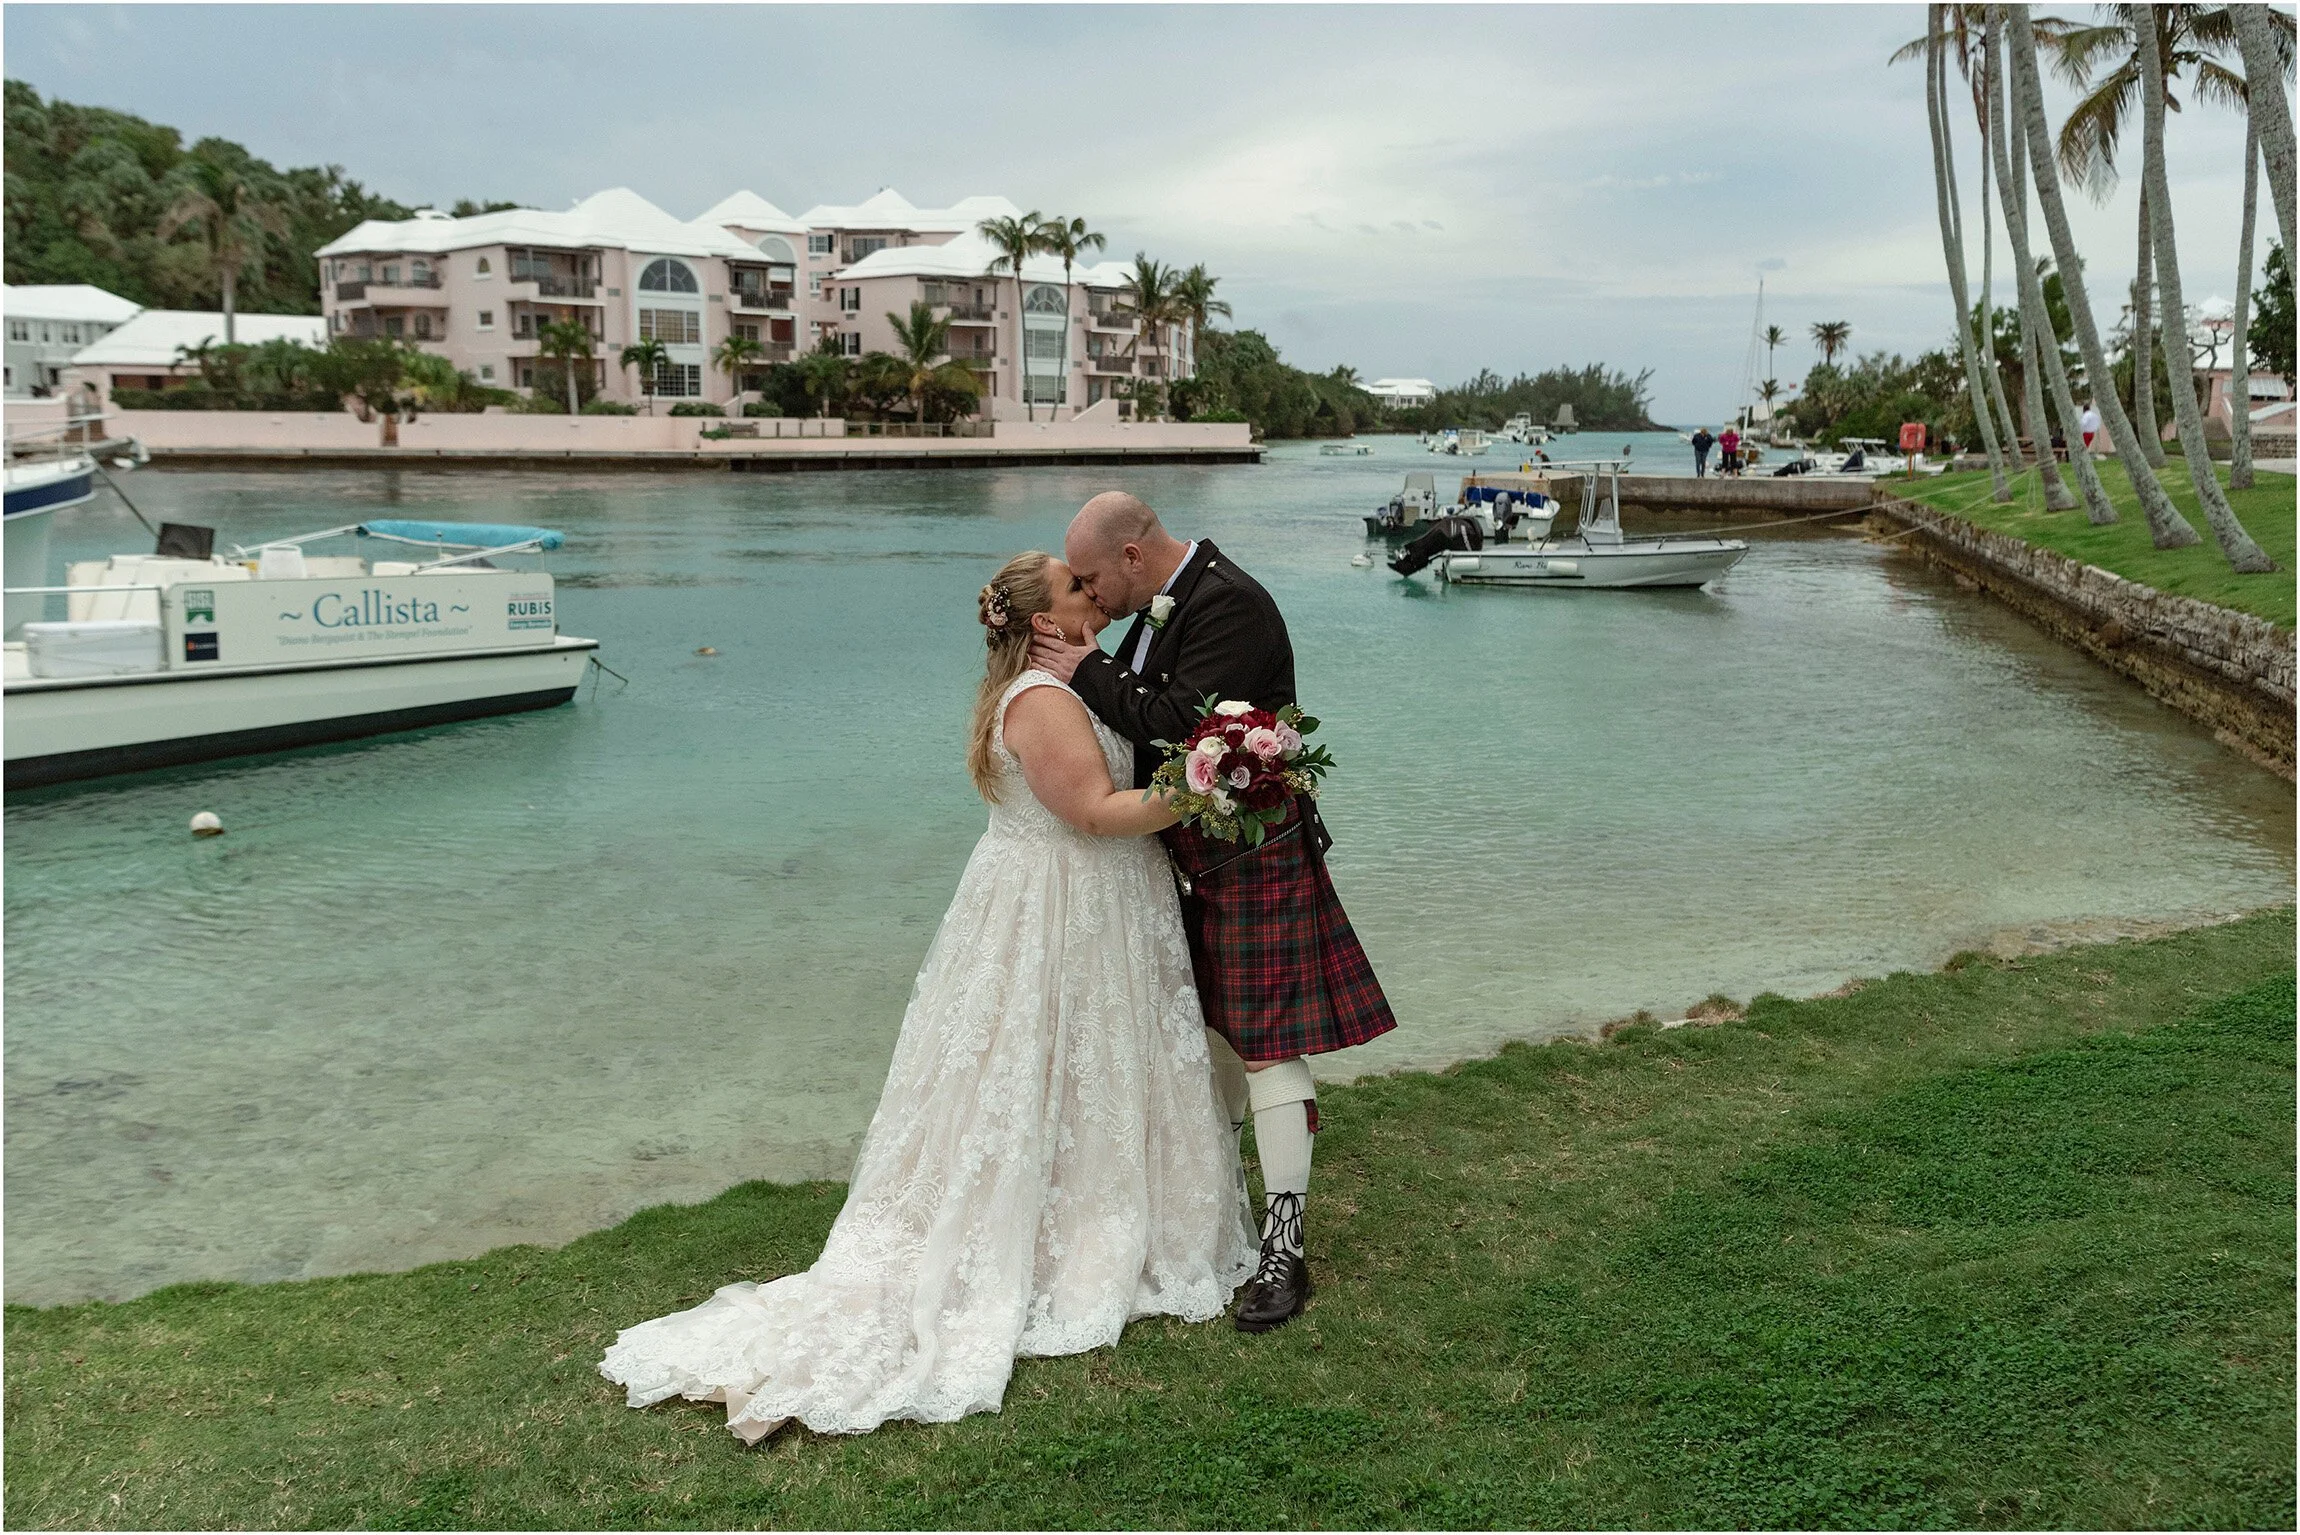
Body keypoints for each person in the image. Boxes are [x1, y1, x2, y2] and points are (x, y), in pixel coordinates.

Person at [599, 551, 1255, 1442]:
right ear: (1045, 624)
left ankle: (1095, 1196)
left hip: (1085, 901)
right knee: (1041, 1060)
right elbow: (1098, 812)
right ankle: (1065, 1231)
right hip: (1065, 907)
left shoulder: (1060, 686)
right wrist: (1209, 783)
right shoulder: (1046, 703)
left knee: (1075, 1065)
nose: (1092, 593)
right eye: (1075, 588)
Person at [1028, 493, 1398, 1336]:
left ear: (1132, 554)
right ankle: (1225, 1209)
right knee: (1218, 1038)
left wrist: (1081, 666)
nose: (1088, 595)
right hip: (1194, 859)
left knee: (1268, 1045)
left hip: (1254, 856)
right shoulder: (1170, 604)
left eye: (1090, 577)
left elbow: (1167, 720)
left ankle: (1284, 1250)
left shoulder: (1230, 603)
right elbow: (1154, 728)